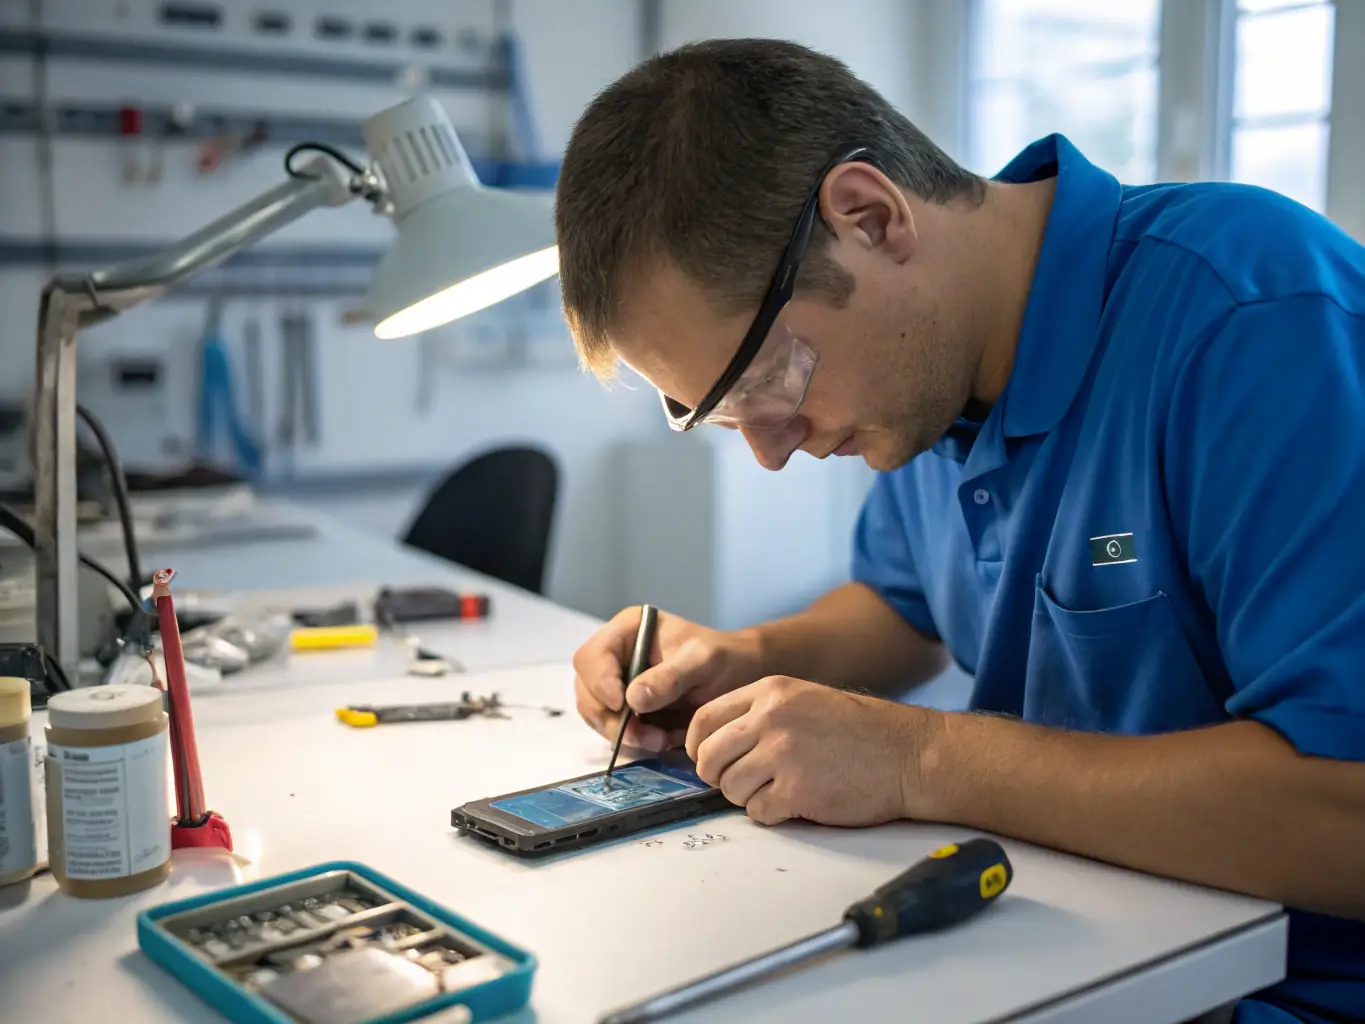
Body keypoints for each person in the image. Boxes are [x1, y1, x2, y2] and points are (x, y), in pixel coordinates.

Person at [553, 38, 1365, 1024]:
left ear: (871, 215)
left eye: (766, 383)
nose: (771, 450)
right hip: (1066, 943)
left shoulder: (1250, 316)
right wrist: (744, 660)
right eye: (724, 417)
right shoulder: (928, 380)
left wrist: (919, 758)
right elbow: (903, 607)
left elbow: (1345, 808)